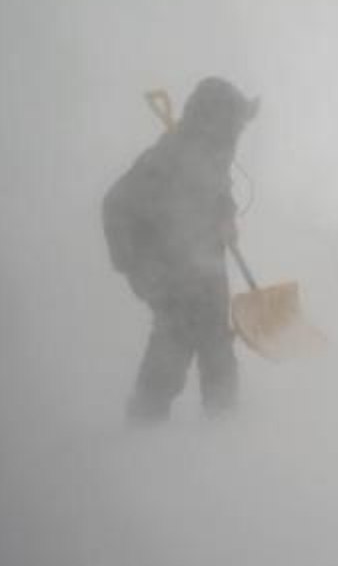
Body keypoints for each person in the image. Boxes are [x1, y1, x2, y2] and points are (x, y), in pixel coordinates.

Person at [102, 77, 258, 424]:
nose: (239, 132)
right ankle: (143, 438)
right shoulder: (167, 158)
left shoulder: (211, 154)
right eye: (235, 122)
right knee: (170, 353)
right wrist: (138, 270)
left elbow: (218, 194)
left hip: (207, 271)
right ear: (215, 120)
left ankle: (224, 436)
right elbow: (115, 206)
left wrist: (226, 216)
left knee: (218, 352)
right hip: (172, 274)